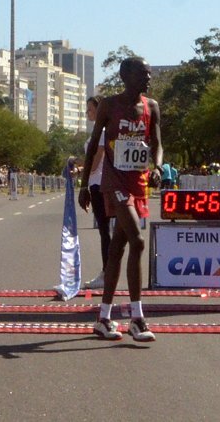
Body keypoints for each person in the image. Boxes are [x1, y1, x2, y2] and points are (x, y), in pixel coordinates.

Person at [78, 56, 161, 342]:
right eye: (143, 73)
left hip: (138, 184)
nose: (148, 78)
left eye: (149, 74)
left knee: (116, 250)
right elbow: (92, 148)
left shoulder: (152, 107)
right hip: (113, 182)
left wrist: (159, 166)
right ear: (126, 76)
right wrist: (84, 184)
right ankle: (137, 318)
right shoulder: (109, 106)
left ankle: (103, 318)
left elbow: (157, 145)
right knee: (137, 241)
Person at [80, 96, 111, 290]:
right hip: (96, 183)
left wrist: (79, 166)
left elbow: (97, 159)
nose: (87, 113)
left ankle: (107, 272)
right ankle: (108, 271)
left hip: (99, 183)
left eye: (90, 110)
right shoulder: (98, 131)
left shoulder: (102, 132)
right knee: (104, 230)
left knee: (104, 231)